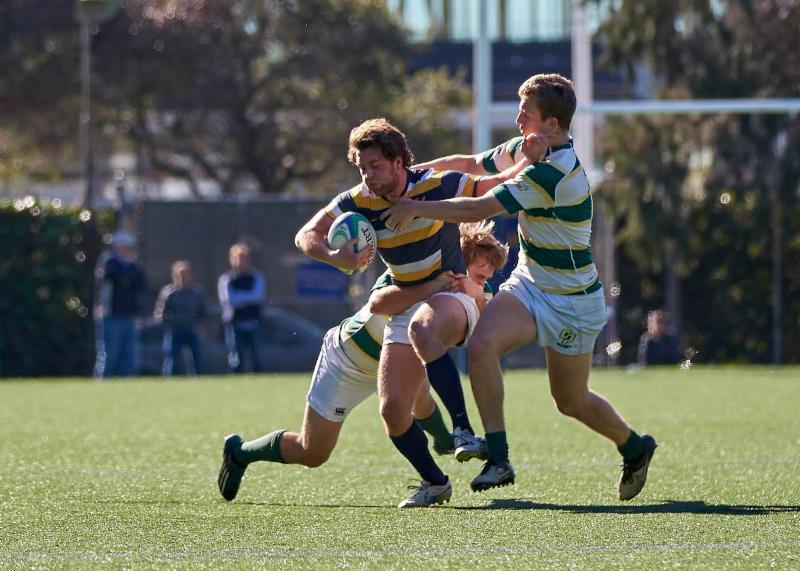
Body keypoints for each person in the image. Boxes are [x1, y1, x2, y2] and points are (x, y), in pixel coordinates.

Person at [383, 73, 657, 502]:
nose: (516, 119)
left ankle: (635, 448)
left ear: (550, 124)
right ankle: (499, 458)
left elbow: (479, 206)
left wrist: (414, 206)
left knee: (570, 401)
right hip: (530, 283)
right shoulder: (529, 148)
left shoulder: (555, 172)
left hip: (571, 300)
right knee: (482, 347)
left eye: (525, 113)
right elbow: (471, 164)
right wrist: (413, 176)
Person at [294, 118, 533, 507]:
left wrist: (532, 160)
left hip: (454, 294)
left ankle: (462, 430)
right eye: (363, 168)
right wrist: (333, 256)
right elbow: (306, 235)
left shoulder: (437, 182)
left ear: (400, 160)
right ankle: (435, 483)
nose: (369, 175)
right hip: (411, 301)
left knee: (426, 328)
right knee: (392, 410)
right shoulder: (358, 202)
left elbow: (495, 185)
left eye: (375, 166)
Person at [217, 269, 467, 502]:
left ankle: (445, 445)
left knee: (418, 395)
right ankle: (240, 452)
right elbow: (379, 304)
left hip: (388, 363)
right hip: (346, 362)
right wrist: (431, 287)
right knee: (312, 452)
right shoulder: (406, 268)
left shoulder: (463, 287)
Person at [398, 220, 509, 463]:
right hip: (392, 337)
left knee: (409, 400)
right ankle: (445, 439)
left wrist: (478, 294)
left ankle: (461, 432)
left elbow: (482, 331)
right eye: (479, 276)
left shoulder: (482, 290)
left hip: (424, 339)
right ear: (462, 260)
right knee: (414, 399)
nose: (483, 282)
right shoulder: (428, 267)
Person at [94, 229, 147, 378]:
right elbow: (115, 277)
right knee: (109, 355)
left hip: (129, 317)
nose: (128, 251)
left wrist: (126, 279)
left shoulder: (132, 265)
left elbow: (140, 282)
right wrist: (126, 279)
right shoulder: (108, 262)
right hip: (111, 316)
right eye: (125, 247)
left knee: (129, 358)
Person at [153, 260, 207, 376]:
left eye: (186, 274)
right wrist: (169, 321)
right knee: (171, 360)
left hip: (192, 329)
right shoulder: (169, 293)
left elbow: (203, 312)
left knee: (197, 359)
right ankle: (169, 381)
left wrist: (199, 324)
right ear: (174, 275)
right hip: (174, 330)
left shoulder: (197, 292)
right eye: (180, 274)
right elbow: (159, 313)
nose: (183, 277)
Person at [218, 243, 265, 373]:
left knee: (255, 358)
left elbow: (257, 297)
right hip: (235, 322)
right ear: (232, 260)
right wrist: (246, 298)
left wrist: (239, 297)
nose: (241, 262)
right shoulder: (226, 279)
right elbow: (228, 300)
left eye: (244, 258)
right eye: (238, 258)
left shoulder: (257, 277)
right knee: (236, 359)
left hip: (253, 321)